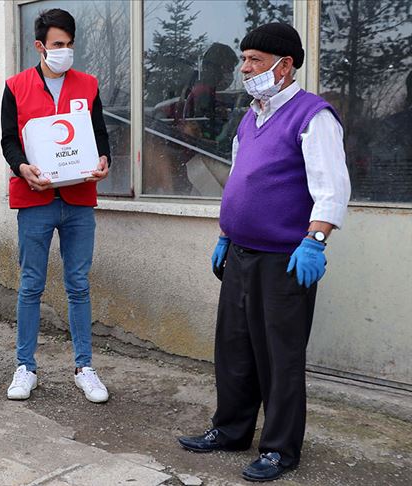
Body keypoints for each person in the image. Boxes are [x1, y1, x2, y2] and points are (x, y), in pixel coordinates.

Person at [177, 23, 351, 482]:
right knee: (234, 348)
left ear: (285, 65)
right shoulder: (252, 116)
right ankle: (230, 430)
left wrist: (315, 242)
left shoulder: (313, 116)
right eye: (244, 59)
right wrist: (225, 234)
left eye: (254, 59)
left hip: (285, 258)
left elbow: (331, 190)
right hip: (240, 253)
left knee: (279, 355)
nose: (245, 68)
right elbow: (241, 180)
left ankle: (279, 448)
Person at [0, 8, 112, 404]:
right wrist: (21, 166)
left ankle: (85, 367)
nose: (65, 52)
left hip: (79, 199)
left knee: (78, 285)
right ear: (40, 46)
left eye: (69, 45)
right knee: (31, 284)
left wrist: (103, 162)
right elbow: (8, 139)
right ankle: (25, 367)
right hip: (35, 199)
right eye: (57, 45)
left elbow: (99, 136)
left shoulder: (88, 84)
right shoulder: (16, 87)